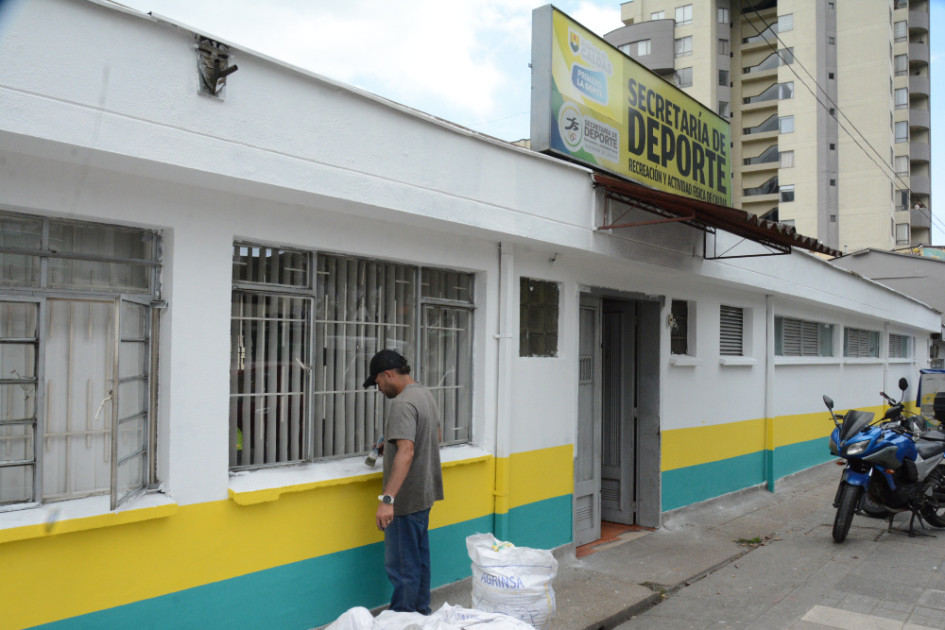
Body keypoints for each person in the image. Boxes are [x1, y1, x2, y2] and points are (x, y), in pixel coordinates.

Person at [363, 349, 444, 614]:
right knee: (419, 561)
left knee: (402, 567)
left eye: (378, 383)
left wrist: (387, 501)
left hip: (405, 500)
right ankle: (421, 614)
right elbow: (435, 436)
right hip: (424, 494)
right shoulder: (424, 394)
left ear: (388, 374)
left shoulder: (400, 403)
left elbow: (407, 452)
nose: (379, 389)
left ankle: (403, 619)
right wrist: (394, 443)